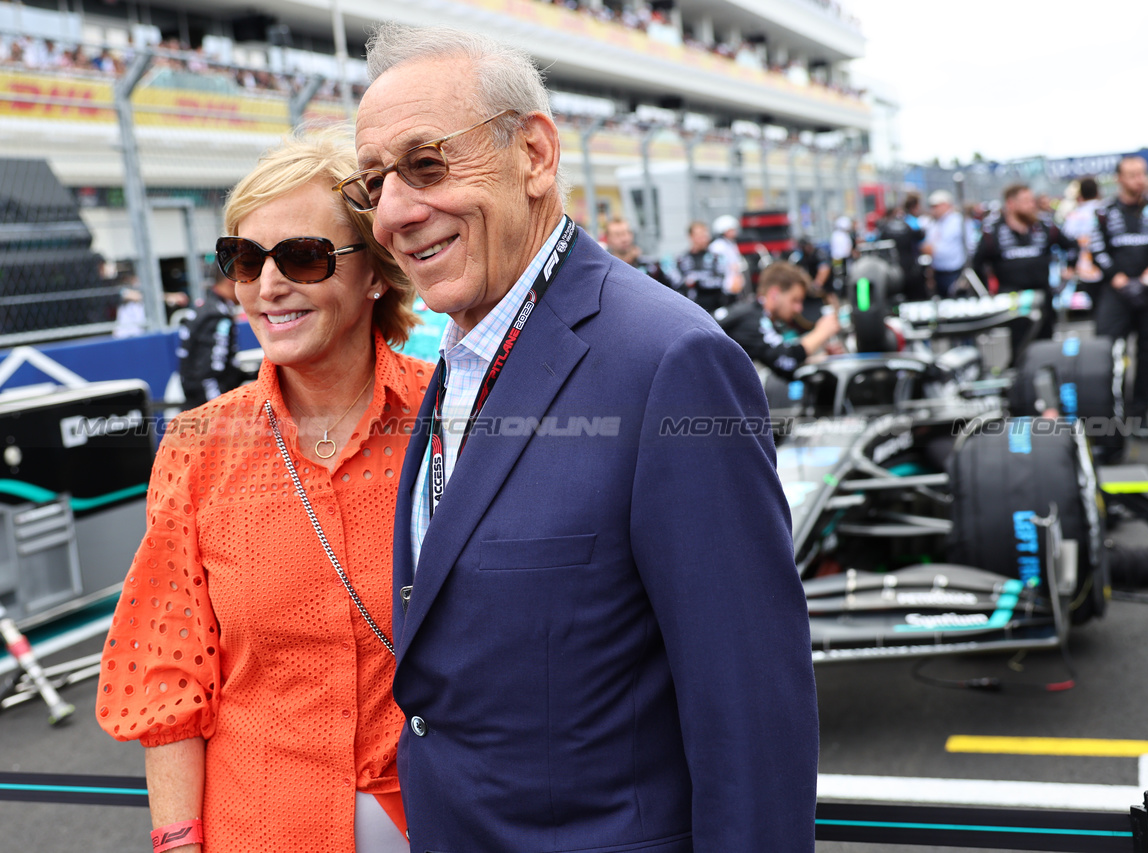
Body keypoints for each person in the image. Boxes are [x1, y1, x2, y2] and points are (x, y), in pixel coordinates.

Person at [347, 22, 817, 853]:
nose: (393, 212)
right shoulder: (461, 351)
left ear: (534, 154)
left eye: (426, 164)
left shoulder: (670, 360)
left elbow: (751, 716)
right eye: (374, 182)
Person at [96, 133, 427, 853]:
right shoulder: (195, 446)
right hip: (265, 826)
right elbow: (169, 678)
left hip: (448, 818)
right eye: (245, 259)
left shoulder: (452, 419)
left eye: (303, 256)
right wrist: (178, 842)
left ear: (375, 273)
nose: (268, 284)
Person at [1088, 155, 1148, 440]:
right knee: (1109, 354)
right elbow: (1098, 249)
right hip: (1116, 292)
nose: (1139, 179)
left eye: (1142, 173)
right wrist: (1118, 278)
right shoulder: (1104, 212)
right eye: (1132, 174)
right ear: (1119, 178)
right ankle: (1113, 417)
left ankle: (1140, 417)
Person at [971, 183, 1076, 344]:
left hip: (1042, 294)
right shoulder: (992, 230)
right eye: (1026, 201)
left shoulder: (1044, 225)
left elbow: (1072, 246)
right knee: (1019, 342)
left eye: (1031, 200)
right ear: (1011, 204)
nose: (1032, 205)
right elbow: (976, 263)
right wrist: (988, 292)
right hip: (1011, 298)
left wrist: (1069, 268)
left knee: (1046, 341)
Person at [718, 261, 842, 379]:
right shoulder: (754, 319)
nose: (799, 308)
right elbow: (787, 359)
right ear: (774, 294)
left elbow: (784, 368)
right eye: (795, 300)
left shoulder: (751, 312)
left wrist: (824, 358)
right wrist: (821, 332)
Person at [175, 269, 251, 408]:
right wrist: (219, 410)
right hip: (208, 408)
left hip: (197, 403)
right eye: (245, 281)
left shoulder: (206, 306)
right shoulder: (217, 315)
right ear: (231, 281)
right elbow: (210, 372)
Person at [674, 219, 729, 312]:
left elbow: (721, 281)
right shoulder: (681, 259)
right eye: (700, 235)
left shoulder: (716, 258)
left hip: (714, 308)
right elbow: (676, 284)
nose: (704, 238)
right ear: (691, 236)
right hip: (690, 309)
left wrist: (697, 281)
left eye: (705, 235)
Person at [878, 202, 927, 302]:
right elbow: (921, 236)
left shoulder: (886, 228)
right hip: (907, 267)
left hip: (894, 268)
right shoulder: (908, 225)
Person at [923, 190, 968, 295]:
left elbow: (970, 245)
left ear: (946, 205)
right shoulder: (933, 223)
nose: (933, 209)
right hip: (938, 272)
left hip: (955, 271)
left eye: (936, 206)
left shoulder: (958, 221)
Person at [603, 216, 669, 286]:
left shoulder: (650, 266)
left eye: (627, 233)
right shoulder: (606, 270)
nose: (624, 239)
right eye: (617, 235)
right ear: (608, 239)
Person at [710, 213, 746, 298]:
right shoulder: (717, 246)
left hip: (734, 285)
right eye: (731, 230)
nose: (735, 232)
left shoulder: (730, 244)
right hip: (724, 286)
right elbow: (719, 267)